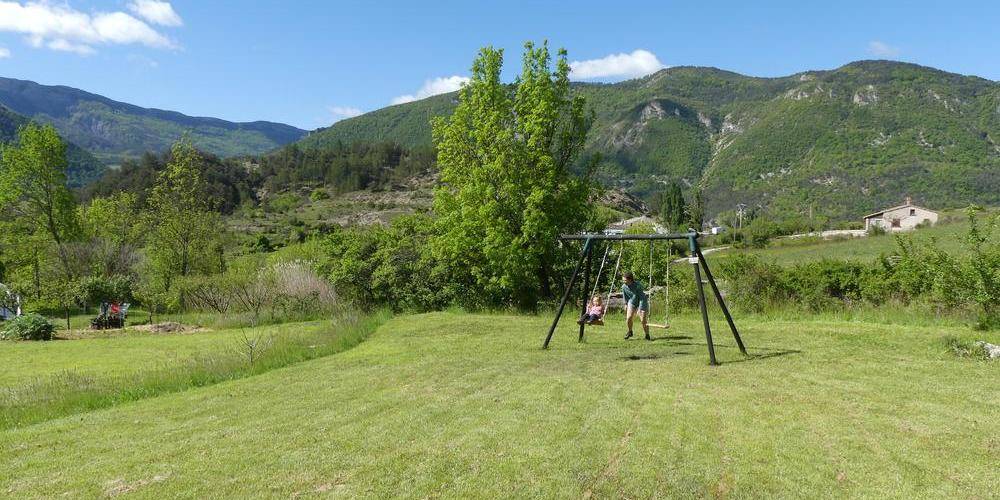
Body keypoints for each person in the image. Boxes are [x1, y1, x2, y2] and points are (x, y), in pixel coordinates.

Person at [622, 271, 650, 340]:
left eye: (625, 280)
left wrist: (640, 309)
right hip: (632, 301)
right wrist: (625, 304)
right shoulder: (624, 287)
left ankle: (647, 335)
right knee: (629, 318)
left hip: (642, 300)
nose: (624, 281)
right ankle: (630, 331)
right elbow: (625, 296)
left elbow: (641, 297)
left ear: (630, 279)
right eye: (623, 280)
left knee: (643, 319)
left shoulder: (638, 285)